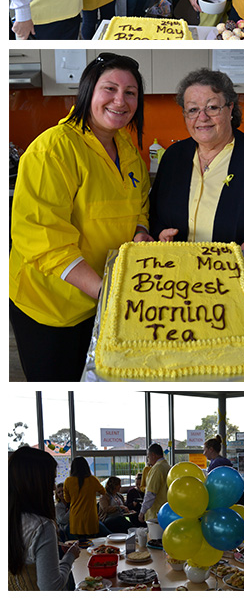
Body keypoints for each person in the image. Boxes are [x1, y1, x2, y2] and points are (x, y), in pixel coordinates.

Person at [9, 52, 154, 382]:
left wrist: (140, 228)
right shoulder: (54, 150)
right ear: (88, 90)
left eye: (130, 92)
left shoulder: (126, 146)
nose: (120, 100)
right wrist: (105, 292)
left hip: (102, 300)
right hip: (52, 307)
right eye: (110, 88)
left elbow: (140, 198)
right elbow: (42, 237)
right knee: (59, 380)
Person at [149, 68, 244, 291]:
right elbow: (154, 214)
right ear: (185, 115)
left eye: (212, 107)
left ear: (230, 108)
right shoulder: (173, 157)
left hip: (241, 284)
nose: (202, 117)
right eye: (193, 110)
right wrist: (159, 233)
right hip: (181, 280)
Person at [8, 447, 80, 590]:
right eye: (51, 479)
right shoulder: (42, 526)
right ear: (36, 483)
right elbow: (51, 588)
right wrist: (70, 557)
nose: (53, 487)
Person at [63, 456, 108, 540]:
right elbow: (103, 491)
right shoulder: (93, 480)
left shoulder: (68, 481)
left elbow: (67, 499)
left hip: (76, 518)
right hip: (90, 517)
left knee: (79, 545)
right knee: (92, 544)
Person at [138, 444, 170, 522]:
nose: (148, 460)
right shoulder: (167, 466)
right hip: (166, 511)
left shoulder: (157, 468)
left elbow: (151, 493)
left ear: (153, 455)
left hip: (156, 514)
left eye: (148, 457)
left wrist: (142, 512)